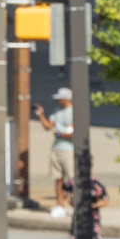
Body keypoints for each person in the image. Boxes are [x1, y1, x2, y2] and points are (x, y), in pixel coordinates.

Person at [35, 87, 75, 215]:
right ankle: (60, 205)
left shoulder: (74, 112)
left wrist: (58, 134)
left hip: (69, 150)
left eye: (59, 98)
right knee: (58, 179)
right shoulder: (57, 111)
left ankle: (75, 205)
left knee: (72, 180)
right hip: (56, 149)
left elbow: (71, 134)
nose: (57, 101)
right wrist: (41, 114)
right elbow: (48, 127)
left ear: (66, 99)